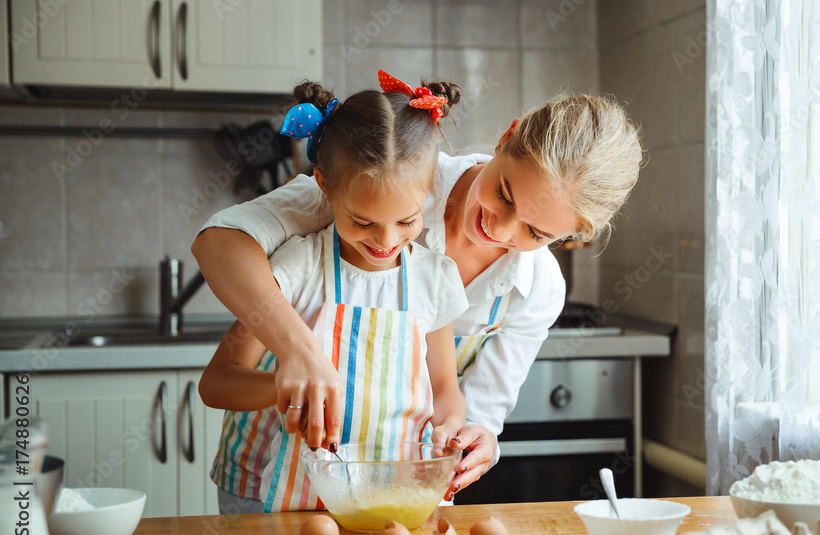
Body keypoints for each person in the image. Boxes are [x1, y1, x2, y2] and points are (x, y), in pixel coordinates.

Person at [193, 78, 643, 503]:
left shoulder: (537, 291)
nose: (499, 227)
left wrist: (477, 438)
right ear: (507, 138)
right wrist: (299, 354)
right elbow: (221, 242)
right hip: (266, 473)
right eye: (505, 194)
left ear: (573, 234)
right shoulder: (388, 178)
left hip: (388, 489)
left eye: (536, 231)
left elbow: (471, 409)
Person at [199, 72, 469, 512]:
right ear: (324, 186)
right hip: (301, 508)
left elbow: (444, 387)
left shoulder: (435, 279)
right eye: (363, 222)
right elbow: (216, 385)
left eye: (407, 221)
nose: (385, 240)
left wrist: (451, 424)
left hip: (396, 501)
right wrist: (284, 386)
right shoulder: (297, 269)